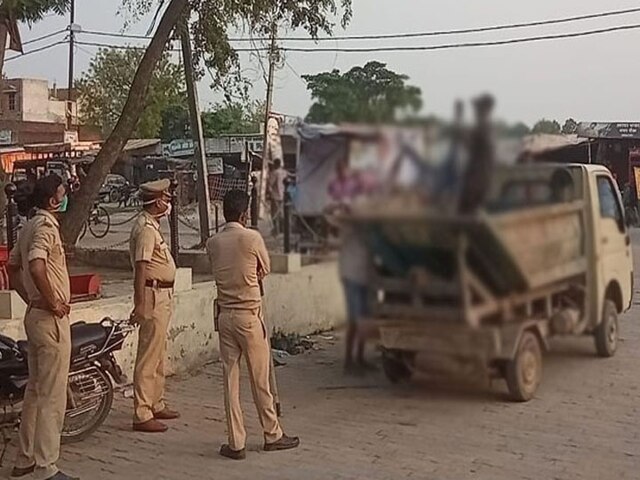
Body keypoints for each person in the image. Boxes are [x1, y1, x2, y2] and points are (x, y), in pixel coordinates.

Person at [206, 190, 299, 460]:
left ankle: (236, 442)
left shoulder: (213, 242)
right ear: (244, 214)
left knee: (230, 381)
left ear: (224, 213)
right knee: (260, 379)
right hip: (249, 315)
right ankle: (272, 433)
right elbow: (265, 268)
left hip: (225, 316)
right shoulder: (251, 238)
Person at [7, 174, 77, 480]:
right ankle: (48, 467)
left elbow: (12, 267)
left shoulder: (28, 226)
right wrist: (52, 302)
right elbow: (35, 266)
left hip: (35, 316)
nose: (65, 198)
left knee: (35, 392)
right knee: (52, 396)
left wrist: (32, 299)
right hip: (50, 320)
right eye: (62, 193)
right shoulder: (46, 227)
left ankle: (26, 459)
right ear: (52, 200)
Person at [129, 179, 180, 433]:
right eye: (166, 198)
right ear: (157, 201)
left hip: (162, 293)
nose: (168, 202)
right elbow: (141, 267)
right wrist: (140, 303)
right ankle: (142, 411)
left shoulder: (153, 226)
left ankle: (156, 402)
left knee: (159, 352)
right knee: (149, 355)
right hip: (152, 294)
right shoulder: (146, 229)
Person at [326, 158, 375, 374]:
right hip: (352, 273)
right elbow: (330, 215)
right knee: (356, 319)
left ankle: (358, 358)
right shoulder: (350, 217)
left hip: (363, 272)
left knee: (363, 319)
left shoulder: (365, 216)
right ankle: (350, 360)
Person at [267, 159, 288, 236]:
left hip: (275, 195)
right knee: (282, 213)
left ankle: (277, 230)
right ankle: (282, 229)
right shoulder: (284, 172)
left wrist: (268, 192)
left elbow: (270, 184)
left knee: (274, 213)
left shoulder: (274, 173)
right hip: (284, 195)